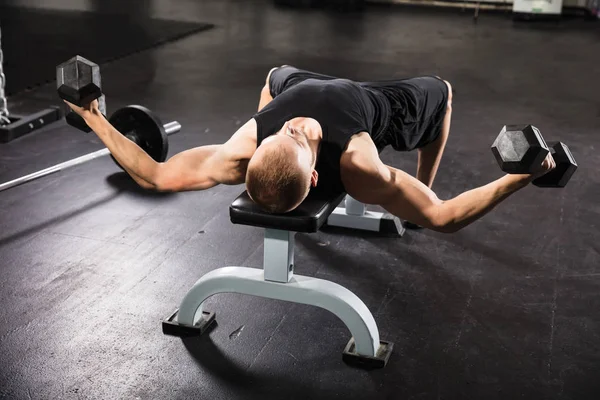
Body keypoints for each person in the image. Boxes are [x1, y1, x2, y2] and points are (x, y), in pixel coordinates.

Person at [64, 65, 555, 233]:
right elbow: (445, 218)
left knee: (273, 80)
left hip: (301, 82)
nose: (292, 126)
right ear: (316, 175)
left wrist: (94, 117)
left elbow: (154, 174)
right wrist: (521, 176)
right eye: (292, 137)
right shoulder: (359, 167)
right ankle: (413, 193)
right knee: (443, 91)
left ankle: (411, 195)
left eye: (283, 132)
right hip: (377, 107)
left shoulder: (247, 145)